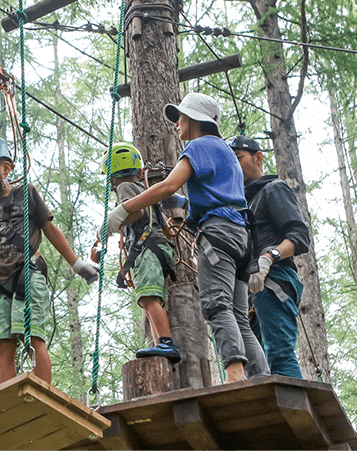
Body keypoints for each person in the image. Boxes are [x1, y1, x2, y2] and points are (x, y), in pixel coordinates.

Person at [105, 93, 268, 383]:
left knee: (217, 305)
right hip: (241, 238)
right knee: (237, 314)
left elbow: (168, 185)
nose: (177, 123)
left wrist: (125, 207)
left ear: (196, 120)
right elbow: (202, 195)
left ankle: (234, 376)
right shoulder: (225, 152)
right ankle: (260, 376)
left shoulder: (199, 146)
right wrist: (175, 201)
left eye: (181, 117)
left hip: (217, 237)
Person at [0, 136, 98, 384]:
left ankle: (43, 393)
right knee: (2, 344)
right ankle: (9, 401)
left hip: (26, 275)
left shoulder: (25, 194)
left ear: (6, 168)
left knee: (32, 338)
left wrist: (76, 263)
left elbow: (49, 229)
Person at [92, 142, 181, 364]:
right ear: (139, 171)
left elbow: (135, 211)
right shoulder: (146, 190)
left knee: (149, 298)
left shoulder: (124, 187)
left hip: (146, 248)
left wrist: (114, 225)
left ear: (111, 177)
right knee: (148, 299)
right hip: (159, 247)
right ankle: (161, 343)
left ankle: (166, 343)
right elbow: (161, 225)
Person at [231, 135, 309, 378]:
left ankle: (295, 411)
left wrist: (269, 257)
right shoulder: (241, 206)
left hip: (274, 279)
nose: (234, 164)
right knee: (256, 364)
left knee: (279, 355)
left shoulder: (273, 189)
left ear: (258, 157)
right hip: (251, 291)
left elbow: (299, 236)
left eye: (239, 157)